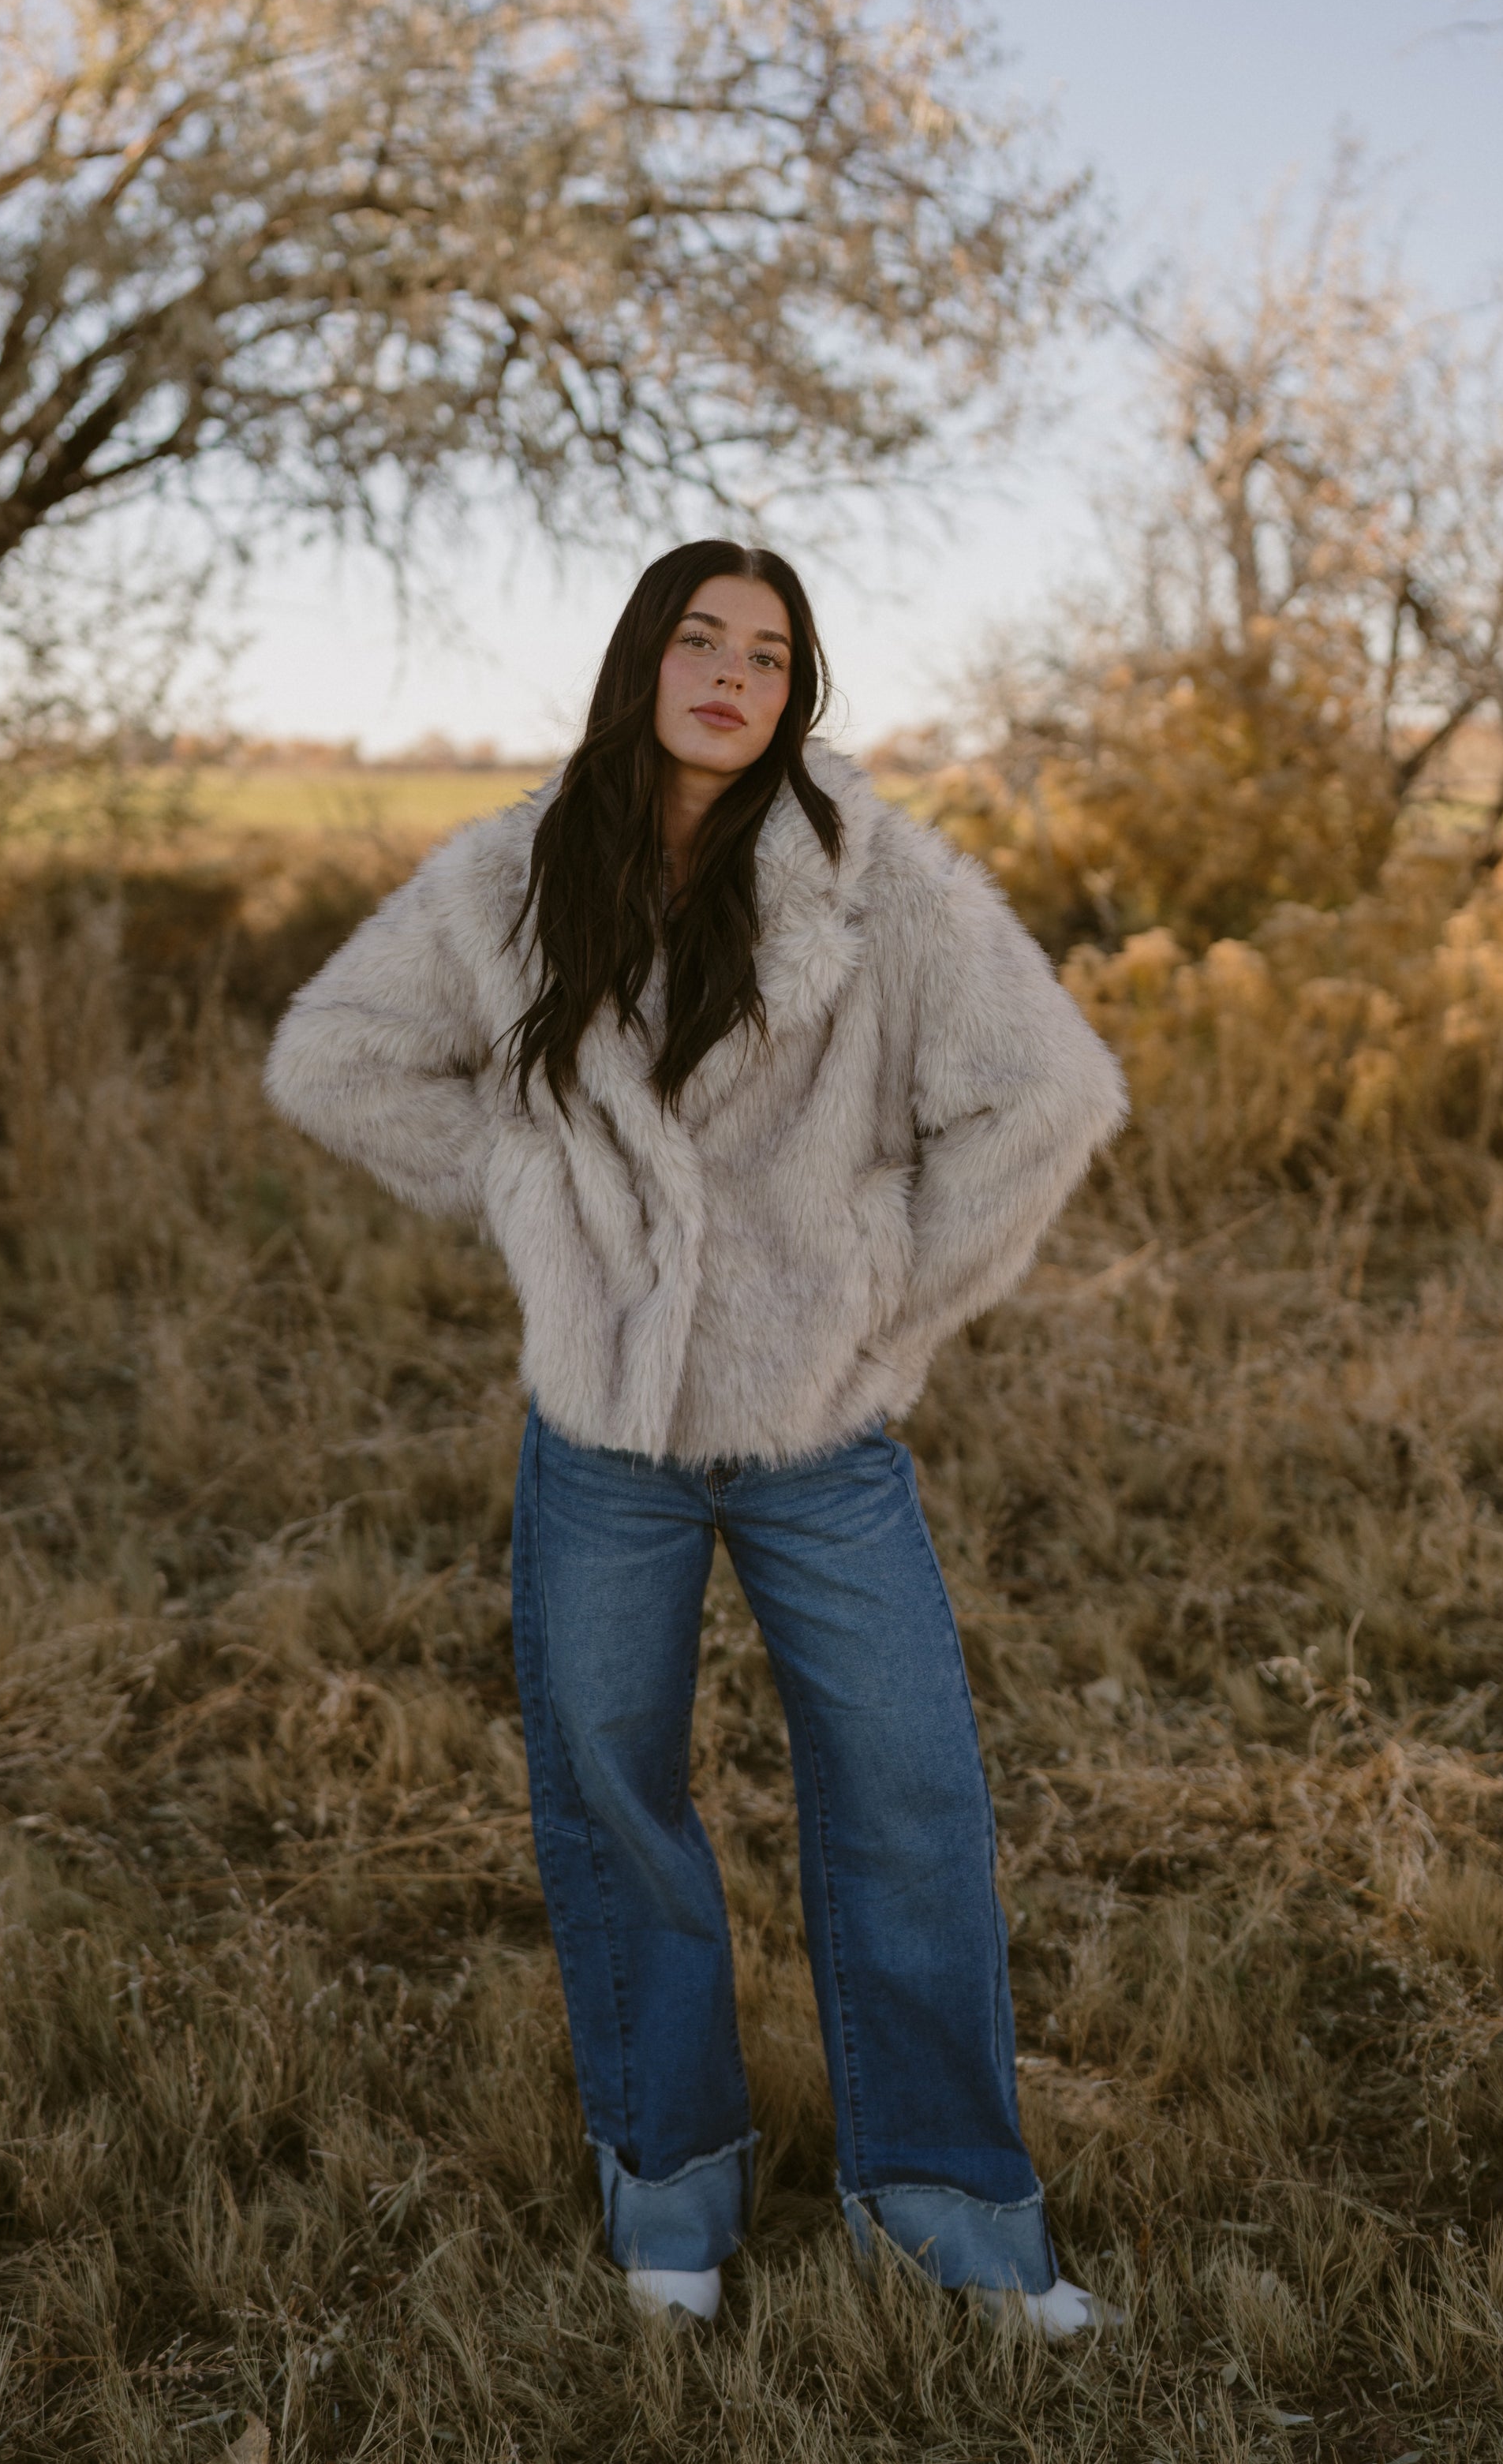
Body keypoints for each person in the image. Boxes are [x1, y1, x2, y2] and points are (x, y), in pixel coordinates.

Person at [265, 540, 1129, 2332]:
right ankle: (672, 2192)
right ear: (643, 659)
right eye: (702, 639)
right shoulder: (513, 875)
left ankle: (951, 2212)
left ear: (796, 690)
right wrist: (538, 1198)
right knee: (616, 1801)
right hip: (603, 1437)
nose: (734, 675)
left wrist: (885, 1305)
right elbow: (332, 1056)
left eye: (771, 653)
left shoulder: (876, 880)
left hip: (822, 1436)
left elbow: (1050, 1095)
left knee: (907, 1799)